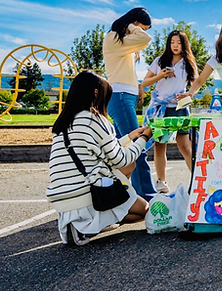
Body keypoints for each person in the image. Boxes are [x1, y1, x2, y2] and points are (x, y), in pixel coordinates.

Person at [46, 71, 151, 246]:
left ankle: (85, 225)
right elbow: (120, 160)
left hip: (61, 197)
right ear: (96, 93)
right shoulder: (94, 119)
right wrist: (144, 139)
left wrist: (129, 137)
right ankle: (90, 227)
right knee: (144, 210)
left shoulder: (63, 122)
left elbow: (100, 149)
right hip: (88, 194)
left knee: (124, 171)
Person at [103, 7, 157, 200]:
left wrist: (138, 86)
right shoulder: (113, 37)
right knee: (138, 145)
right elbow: (145, 39)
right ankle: (148, 195)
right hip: (119, 95)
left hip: (127, 95)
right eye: (143, 27)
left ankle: (119, 193)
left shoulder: (123, 41)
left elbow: (125, 69)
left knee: (119, 149)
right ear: (134, 23)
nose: (144, 32)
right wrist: (132, 26)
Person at [141, 30, 198, 193]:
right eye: (172, 42)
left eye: (179, 42)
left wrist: (189, 94)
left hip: (179, 108)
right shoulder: (160, 61)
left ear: (184, 44)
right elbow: (145, 82)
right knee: (160, 145)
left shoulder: (189, 63)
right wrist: (160, 76)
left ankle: (196, 177)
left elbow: (196, 84)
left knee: (185, 145)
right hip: (161, 108)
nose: (175, 45)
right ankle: (161, 182)